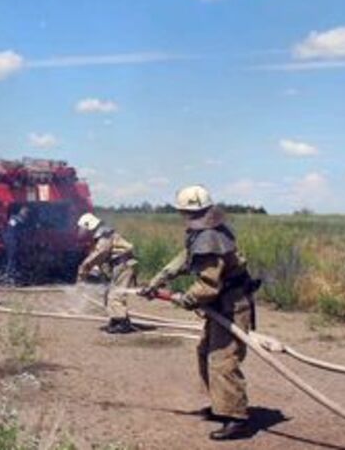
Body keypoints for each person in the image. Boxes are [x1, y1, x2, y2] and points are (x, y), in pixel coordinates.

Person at [139, 185, 259, 441]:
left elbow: (208, 285)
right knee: (205, 352)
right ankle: (222, 405)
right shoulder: (205, 233)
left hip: (232, 305)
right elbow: (185, 258)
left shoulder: (210, 237)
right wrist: (158, 280)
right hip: (221, 304)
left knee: (224, 360)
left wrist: (186, 298)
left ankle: (236, 418)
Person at [76, 212, 139, 334]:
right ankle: (116, 319)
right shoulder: (101, 235)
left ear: (88, 225)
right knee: (109, 293)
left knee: (115, 294)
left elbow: (100, 253)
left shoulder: (104, 235)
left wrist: (84, 267)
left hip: (123, 265)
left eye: (82, 228)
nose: (80, 231)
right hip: (120, 265)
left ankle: (122, 323)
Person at [3, 206, 31, 284]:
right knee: (12, 258)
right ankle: (9, 276)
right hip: (12, 240)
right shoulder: (15, 220)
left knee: (14, 258)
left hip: (13, 240)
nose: (26, 216)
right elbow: (12, 229)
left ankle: (12, 275)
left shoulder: (16, 219)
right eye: (26, 214)